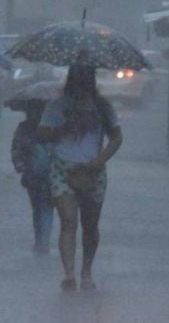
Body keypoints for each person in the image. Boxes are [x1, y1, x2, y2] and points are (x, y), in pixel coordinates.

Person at [38, 65, 122, 292]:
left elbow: (116, 137)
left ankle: (86, 271)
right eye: (78, 78)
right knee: (68, 221)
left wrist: (100, 160)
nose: (82, 83)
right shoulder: (57, 106)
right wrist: (62, 128)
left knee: (90, 224)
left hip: (93, 170)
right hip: (62, 168)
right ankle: (68, 274)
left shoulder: (103, 107)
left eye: (87, 78)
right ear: (71, 81)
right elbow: (42, 133)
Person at [11, 101, 54, 255]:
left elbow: (16, 151)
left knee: (41, 208)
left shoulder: (25, 128)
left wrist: (21, 166)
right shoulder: (52, 126)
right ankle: (42, 241)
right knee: (43, 208)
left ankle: (41, 241)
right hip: (43, 176)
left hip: (38, 176)